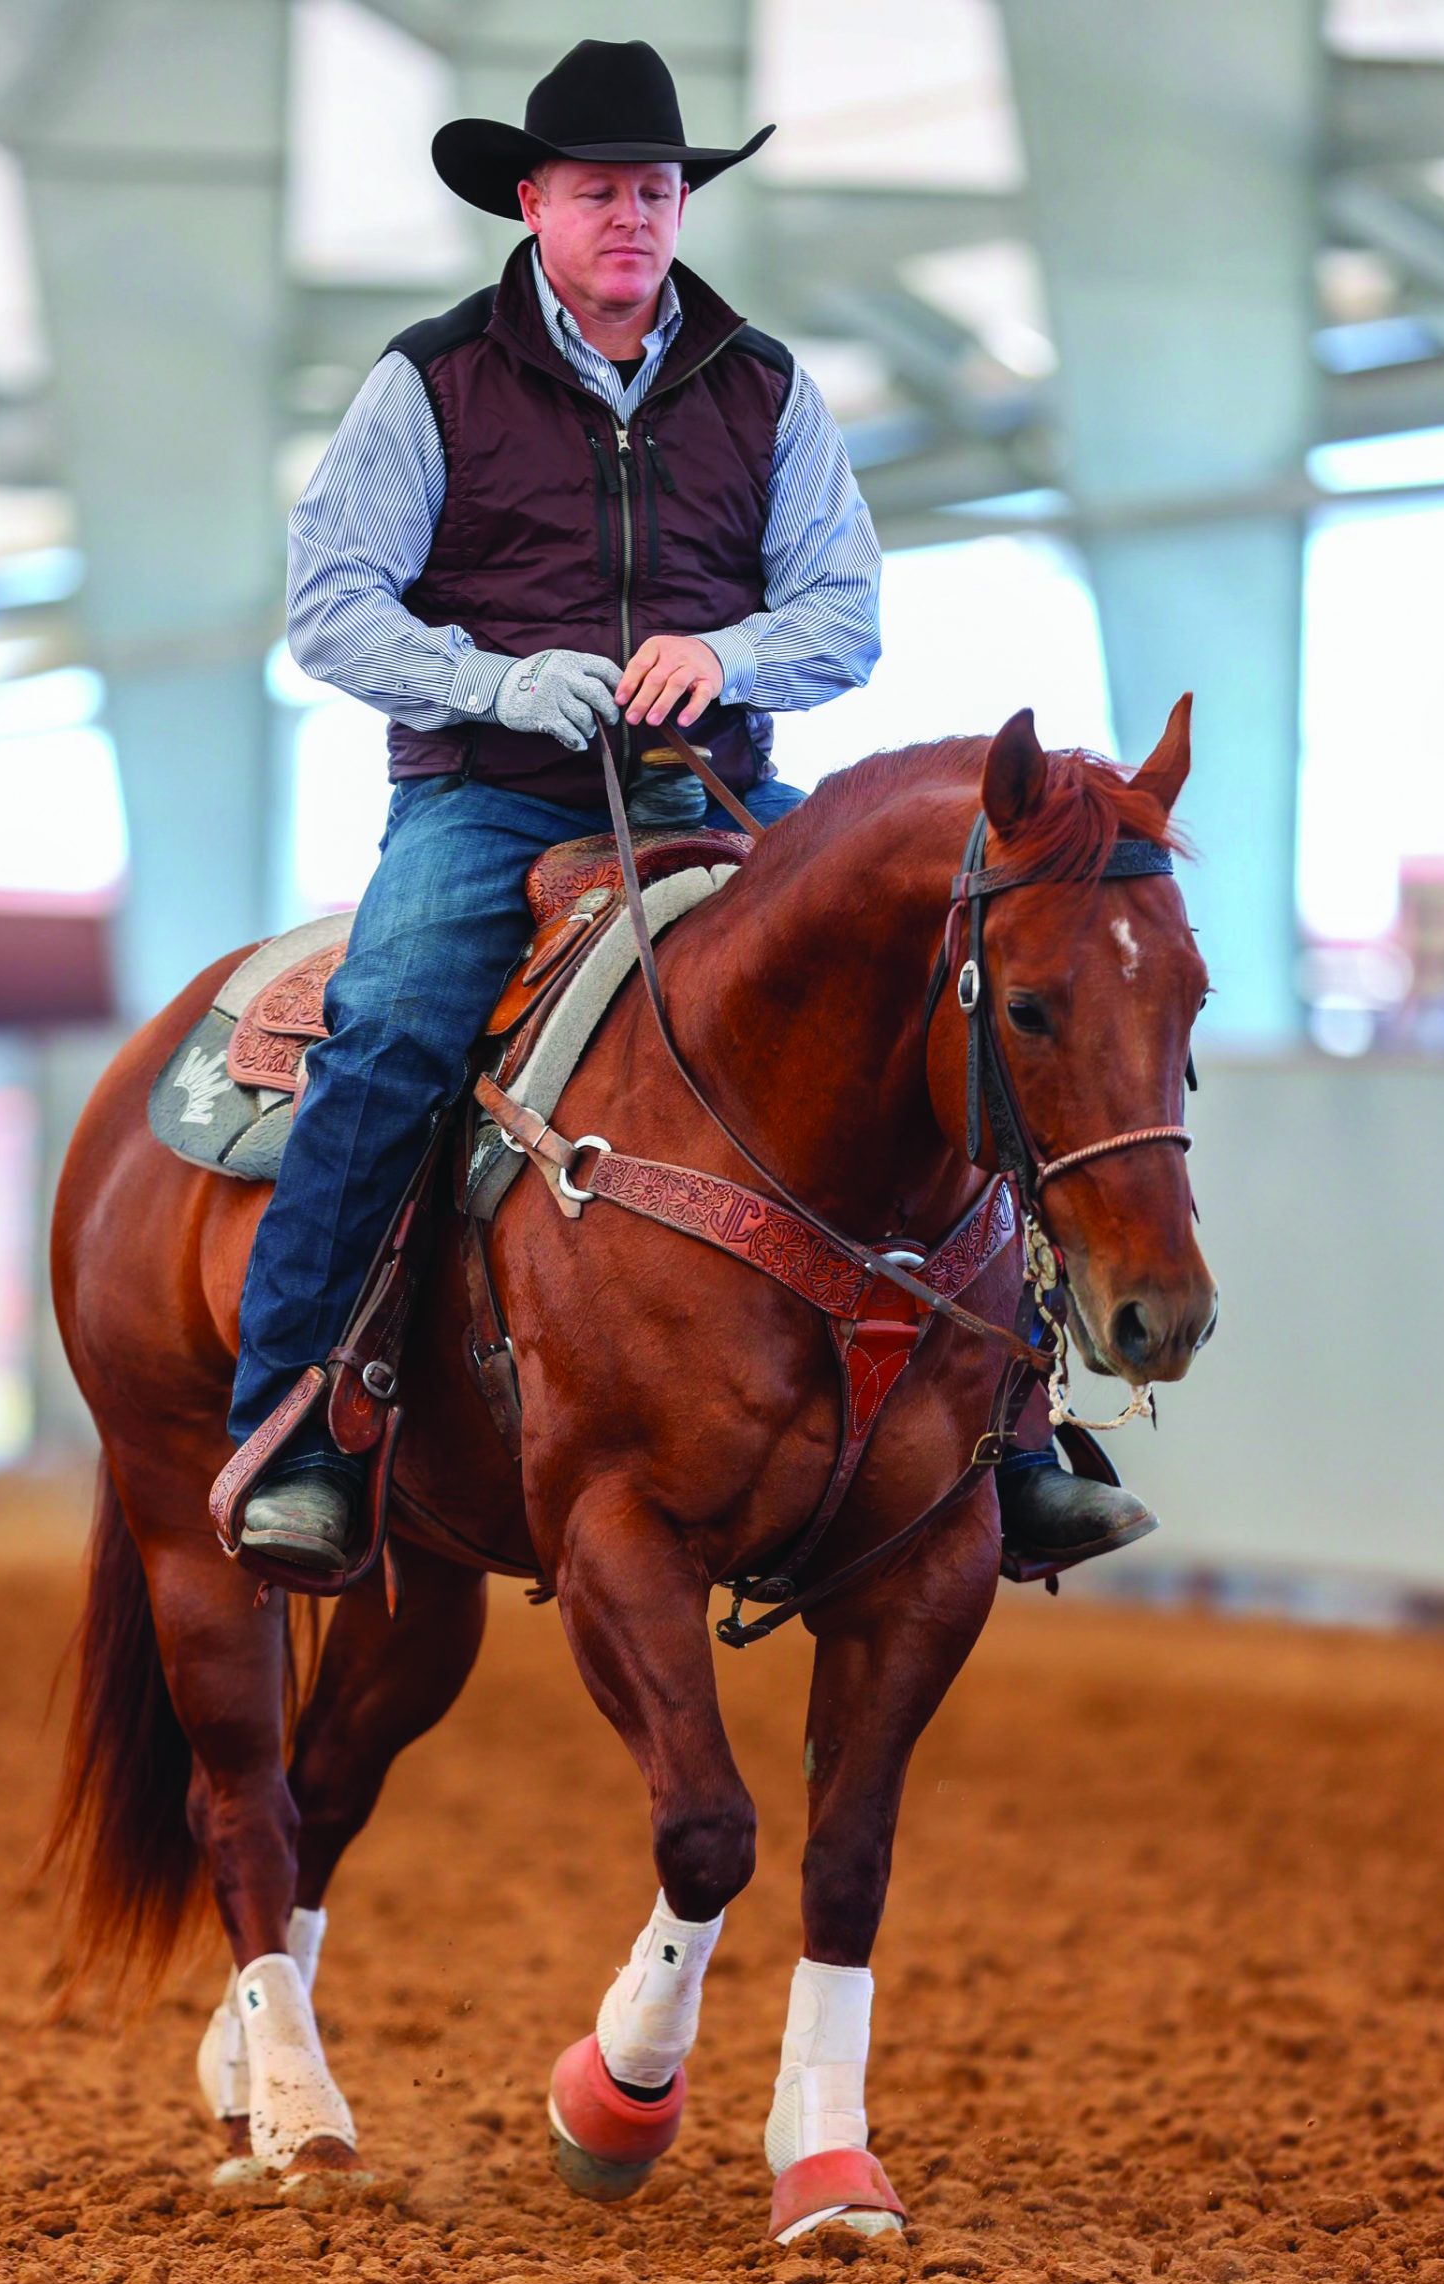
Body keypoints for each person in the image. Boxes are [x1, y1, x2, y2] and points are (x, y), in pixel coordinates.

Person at [230, 37, 1150, 1581]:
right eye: (600, 192)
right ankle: (296, 1425)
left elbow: (845, 613)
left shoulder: (764, 386)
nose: (633, 219)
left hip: (721, 793)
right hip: (493, 802)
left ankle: (1018, 1426)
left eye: (655, 191)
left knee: (946, 1013)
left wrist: (726, 652)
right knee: (389, 1030)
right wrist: (498, 681)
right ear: (532, 202)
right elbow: (329, 605)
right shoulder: (432, 378)